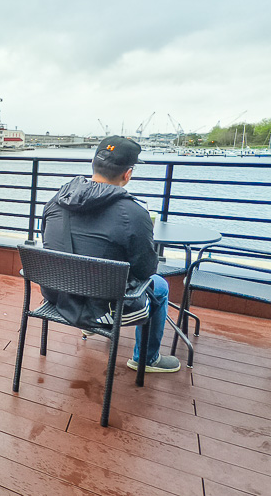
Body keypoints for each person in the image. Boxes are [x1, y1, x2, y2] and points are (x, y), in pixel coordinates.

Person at [40, 136, 180, 372]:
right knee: (160, 285)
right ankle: (146, 359)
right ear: (127, 174)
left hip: (58, 296)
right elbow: (146, 270)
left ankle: (89, 326)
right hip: (102, 308)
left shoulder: (57, 200)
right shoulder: (134, 213)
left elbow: (49, 242)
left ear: (94, 165)